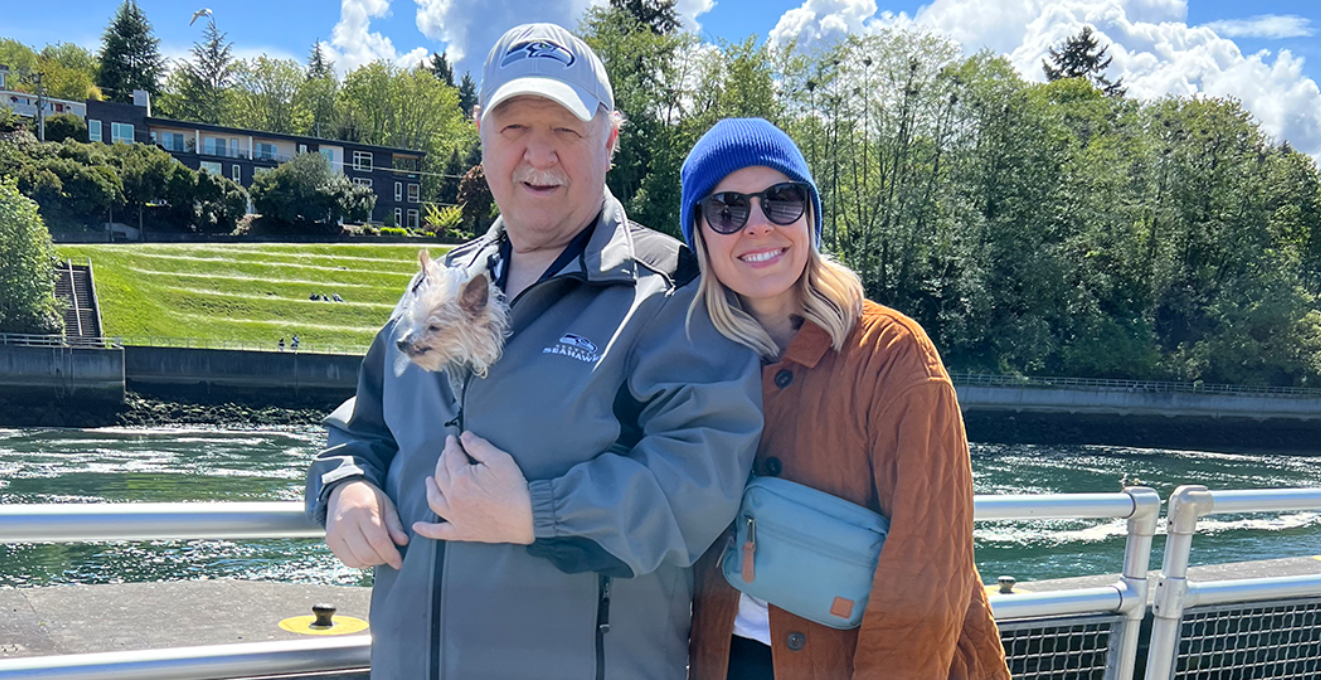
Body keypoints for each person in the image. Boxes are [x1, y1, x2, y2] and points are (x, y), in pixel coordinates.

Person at [304, 24, 762, 680]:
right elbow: (362, 428)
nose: (538, 156)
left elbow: (699, 482)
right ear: (481, 135)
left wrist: (538, 514)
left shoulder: (669, 294)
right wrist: (343, 486)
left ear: (609, 142)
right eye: (515, 128)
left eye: (566, 131)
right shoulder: (438, 285)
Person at [680, 119, 1010, 680]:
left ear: (810, 215)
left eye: (781, 200)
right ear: (699, 234)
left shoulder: (894, 355)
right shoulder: (685, 360)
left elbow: (927, 570)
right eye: (727, 209)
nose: (757, 226)